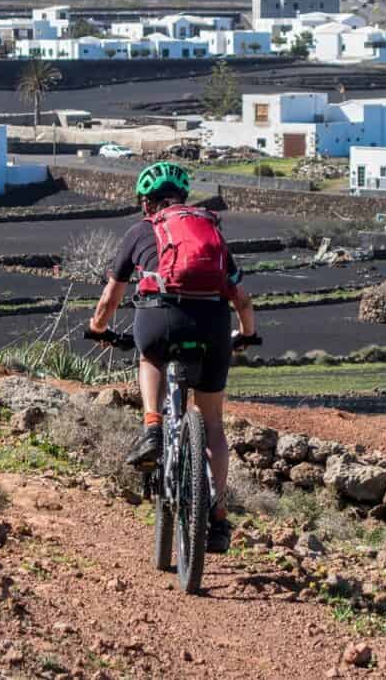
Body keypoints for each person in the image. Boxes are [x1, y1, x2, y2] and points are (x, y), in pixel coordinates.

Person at [88, 161, 258, 553]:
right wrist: (246, 335)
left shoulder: (140, 232)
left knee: (150, 357)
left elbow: (110, 298)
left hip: (159, 319)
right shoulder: (210, 232)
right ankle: (217, 518)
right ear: (183, 200)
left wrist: (98, 328)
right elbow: (243, 301)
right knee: (212, 421)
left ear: (146, 204)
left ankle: (152, 428)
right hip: (213, 324)